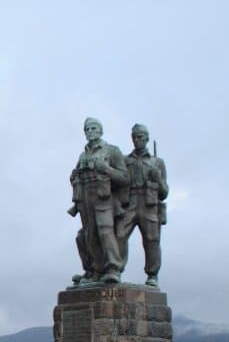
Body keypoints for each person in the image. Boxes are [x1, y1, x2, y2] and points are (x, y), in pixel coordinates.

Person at [69, 117, 129, 285]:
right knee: (89, 235)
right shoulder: (83, 155)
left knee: (105, 231)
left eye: (93, 128)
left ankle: (113, 268)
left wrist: (107, 170)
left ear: (101, 130)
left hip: (104, 196)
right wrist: (74, 178)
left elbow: (125, 178)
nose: (89, 132)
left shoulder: (112, 151)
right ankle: (96, 270)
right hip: (85, 197)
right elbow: (76, 175)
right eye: (87, 129)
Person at [118, 124, 168, 287]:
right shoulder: (125, 161)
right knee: (119, 235)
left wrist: (158, 179)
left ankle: (152, 275)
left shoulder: (157, 162)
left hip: (149, 204)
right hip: (130, 202)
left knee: (152, 240)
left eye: (140, 136)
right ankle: (116, 269)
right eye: (134, 136)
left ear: (146, 138)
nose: (137, 139)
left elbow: (165, 192)